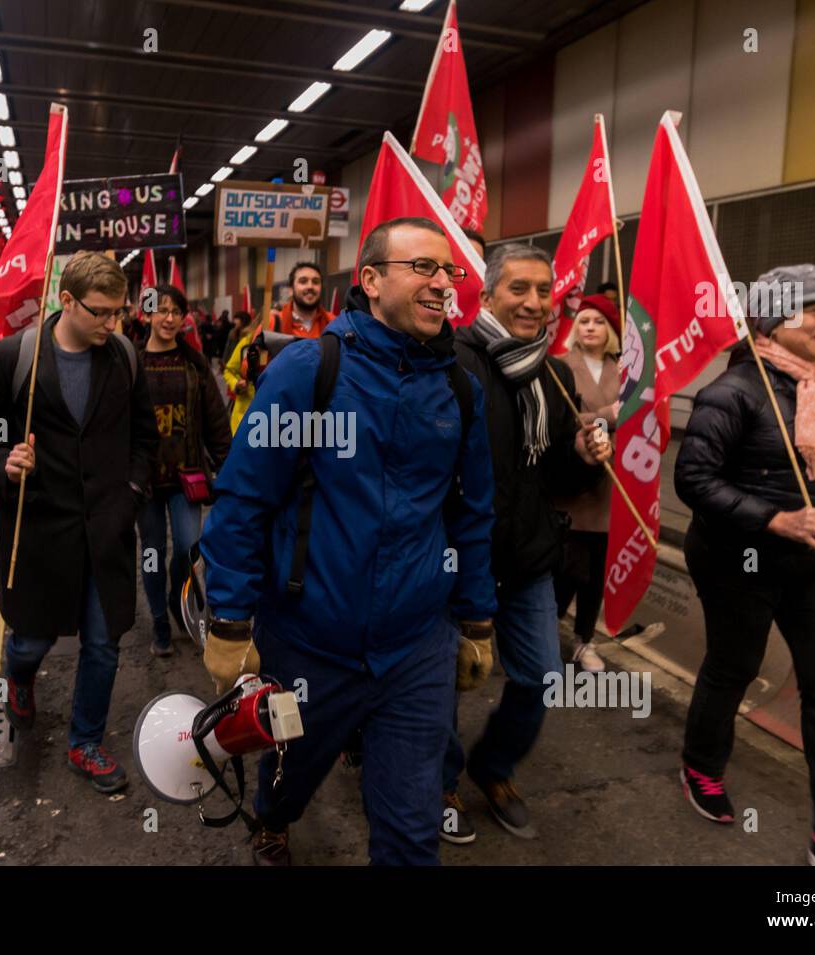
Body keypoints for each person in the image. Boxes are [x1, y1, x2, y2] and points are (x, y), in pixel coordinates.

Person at [199, 217, 497, 865]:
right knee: (290, 771)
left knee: (411, 832)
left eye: (449, 271)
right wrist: (228, 618)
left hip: (416, 646)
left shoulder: (458, 388)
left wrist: (475, 618)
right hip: (308, 638)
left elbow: (473, 512)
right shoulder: (309, 372)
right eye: (423, 267)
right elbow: (245, 497)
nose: (442, 281)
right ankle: (273, 819)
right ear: (370, 280)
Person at [674, 264, 815, 866]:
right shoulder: (733, 391)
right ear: (771, 318)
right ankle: (702, 767)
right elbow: (693, 479)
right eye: (813, 310)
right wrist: (775, 519)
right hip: (737, 558)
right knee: (734, 666)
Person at [0, 251, 158, 795]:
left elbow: (145, 439)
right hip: (38, 532)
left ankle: (84, 741)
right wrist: (3, 463)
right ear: (66, 301)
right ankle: (18, 676)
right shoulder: (10, 359)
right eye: (101, 312)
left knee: (103, 642)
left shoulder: (125, 359)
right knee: (31, 639)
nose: (113, 324)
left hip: (107, 532)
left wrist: (132, 495)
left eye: (120, 312)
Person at [442, 243, 611, 845]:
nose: (535, 303)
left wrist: (586, 457)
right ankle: (438, 782)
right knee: (441, 683)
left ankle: (493, 767)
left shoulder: (555, 373)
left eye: (544, 291)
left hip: (528, 561)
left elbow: (558, 478)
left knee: (541, 678)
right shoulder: (451, 361)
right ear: (487, 296)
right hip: (454, 561)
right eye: (519, 289)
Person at [137, 283, 232, 657]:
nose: (169, 318)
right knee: (151, 552)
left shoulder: (195, 363)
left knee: (188, 550)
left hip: (186, 479)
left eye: (176, 311)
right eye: (161, 310)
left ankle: (180, 604)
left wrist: (226, 467)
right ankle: (160, 624)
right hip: (143, 481)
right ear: (147, 315)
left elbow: (215, 422)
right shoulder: (131, 362)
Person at [551, 294, 621, 672]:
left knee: (597, 574)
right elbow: (563, 419)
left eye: (598, 322)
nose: (589, 327)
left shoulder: (627, 372)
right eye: (584, 321)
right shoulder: (561, 366)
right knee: (568, 569)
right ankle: (544, 633)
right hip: (576, 483)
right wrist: (606, 416)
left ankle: (584, 640)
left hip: (613, 486)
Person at [264, 261, 333, 339]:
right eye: (303, 281)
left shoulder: (333, 322)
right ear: (291, 290)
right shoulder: (272, 323)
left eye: (315, 282)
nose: (310, 286)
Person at [222, 310, 260, 434]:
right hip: (244, 416)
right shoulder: (247, 343)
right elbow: (229, 370)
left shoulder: (288, 347)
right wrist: (236, 384)